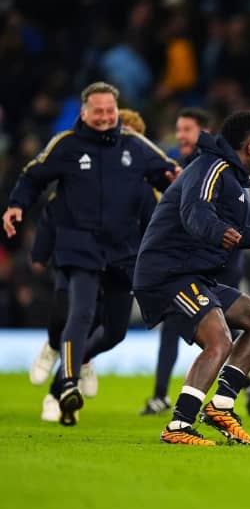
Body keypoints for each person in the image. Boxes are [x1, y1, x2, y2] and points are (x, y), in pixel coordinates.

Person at [3, 83, 178, 426]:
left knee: (114, 331)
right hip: (79, 246)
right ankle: (68, 382)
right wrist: (15, 206)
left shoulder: (134, 146)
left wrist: (176, 180)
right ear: (84, 112)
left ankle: (64, 376)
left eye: (109, 111)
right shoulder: (66, 145)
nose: (104, 117)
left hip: (123, 250)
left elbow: (167, 171)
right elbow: (32, 176)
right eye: (98, 111)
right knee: (79, 313)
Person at [133, 110, 250, 446]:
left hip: (194, 273)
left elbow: (228, 230)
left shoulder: (232, 177)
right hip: (167, 272)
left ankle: (222, 405)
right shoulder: (210, 167)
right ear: (248, 148)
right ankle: (179, 424)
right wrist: (219, 231)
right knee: (219, 341)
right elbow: (195, 213)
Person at [33, 108, 156, 422]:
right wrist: (40, 253)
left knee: (113, 331)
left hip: (119, 260)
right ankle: (59, 375)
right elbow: (52, 210)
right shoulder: (82, 172)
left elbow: (151, 225)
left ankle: (72, 371)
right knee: (71, 313)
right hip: (79, 254)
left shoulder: (143, 185)